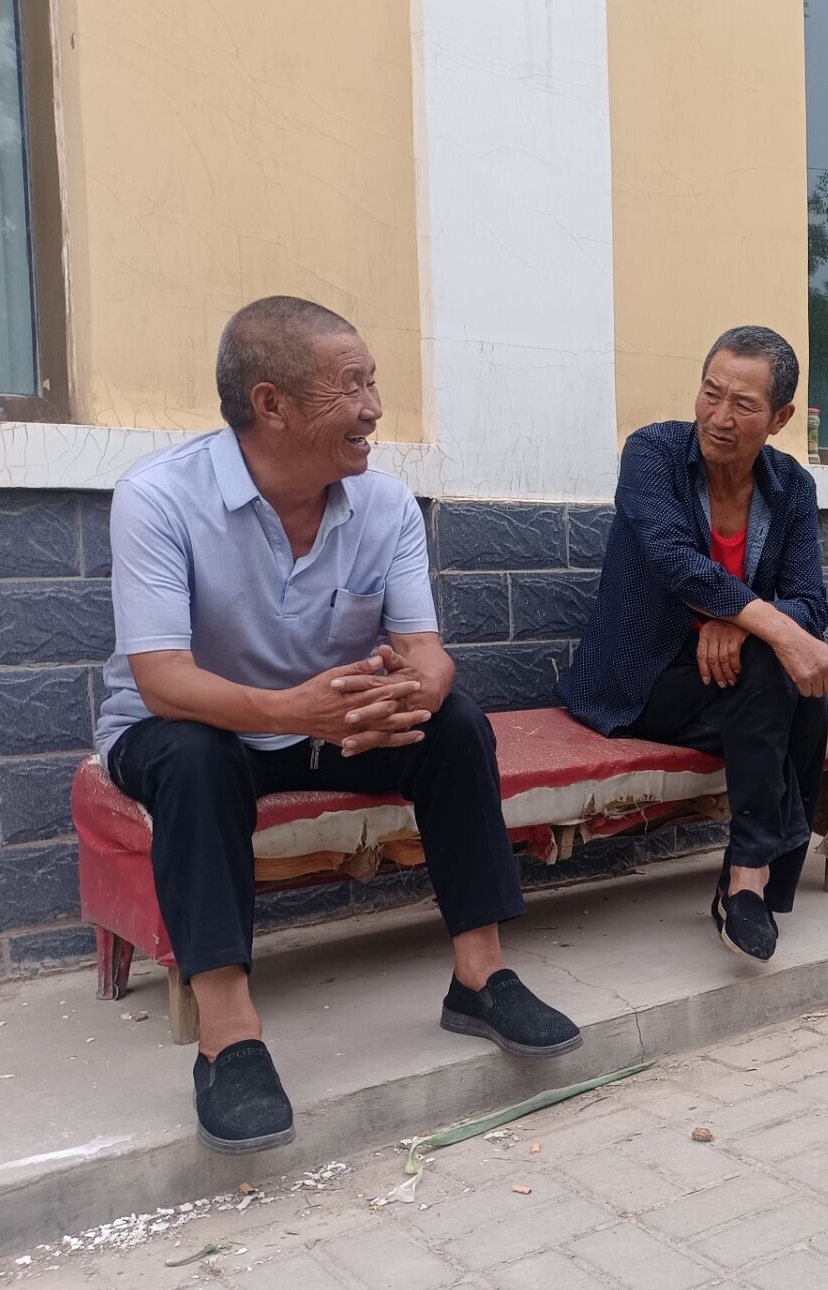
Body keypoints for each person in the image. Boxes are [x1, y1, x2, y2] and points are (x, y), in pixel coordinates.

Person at [99, 296, 581, 1156]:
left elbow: (427, 652)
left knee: (456, 725)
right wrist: (294, 710)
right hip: (189, 725)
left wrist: (419, 690)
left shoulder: (384, 505)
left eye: (373, 384)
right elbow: (162, 679)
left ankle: (480, 976)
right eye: (352, 387)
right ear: (272, 404)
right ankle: (228, 1038)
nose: (375, 409)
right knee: (196, 758)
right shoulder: (159, 498)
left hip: (335, 722)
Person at [556, 326, 828, 963]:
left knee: (779, 674)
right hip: (642, 679)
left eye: (743, 404)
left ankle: (745, 877)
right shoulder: (653, 452)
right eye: (711, 393)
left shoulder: (791, 487)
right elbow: (675, 563)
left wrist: (741, 623)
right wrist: (770, 625)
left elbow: (811, 601)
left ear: (780, 418)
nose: (720, 416)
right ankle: (760, 880)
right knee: (790, 683)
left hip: (736, 683)